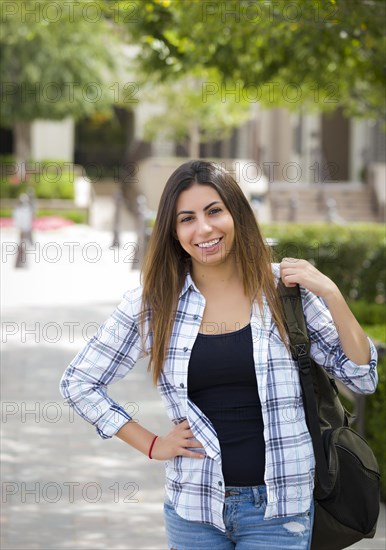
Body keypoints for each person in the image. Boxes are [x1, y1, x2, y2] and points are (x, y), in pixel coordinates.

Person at [60, 160, 378, 550]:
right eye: (187, 218)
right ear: (174, 232)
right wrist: (151, 443)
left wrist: (331, 293)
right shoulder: (155, 303)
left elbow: (362, 376)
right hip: (194, 510)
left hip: (280, 511)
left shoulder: (286, 292)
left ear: (236, 214)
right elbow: (79, 383)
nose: (204, 229)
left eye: (214, 211)